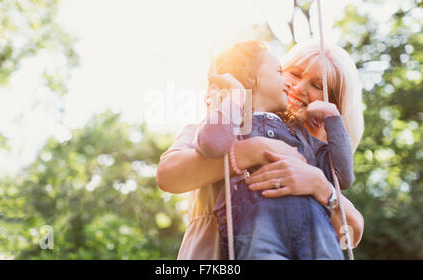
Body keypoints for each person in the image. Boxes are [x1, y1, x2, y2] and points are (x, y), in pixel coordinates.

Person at [156, 40, 364, 260]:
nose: (299, 88)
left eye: (317, 86)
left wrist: (322, 188)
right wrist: (253, 150)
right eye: (293, 73)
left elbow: (349, 235)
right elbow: (168, 176)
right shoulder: (221, 126)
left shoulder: (313, 162)